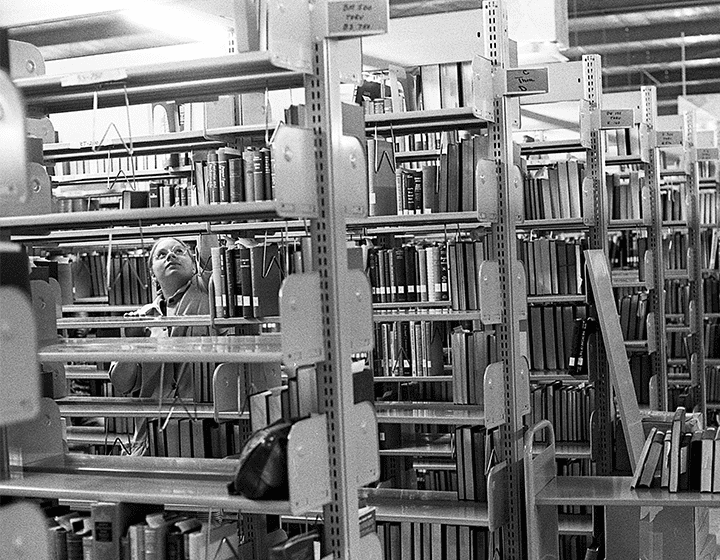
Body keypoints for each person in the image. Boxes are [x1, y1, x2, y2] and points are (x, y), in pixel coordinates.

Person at [109, 236, 223, 456]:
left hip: (202, 431)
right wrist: (132, 344)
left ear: (194, 263)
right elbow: (122, 383)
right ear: (152, 272)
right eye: (161, 255)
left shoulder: (208, 293)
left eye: (179, 251)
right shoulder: (141, 316)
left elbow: (210, 244)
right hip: (153, 434)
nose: (171, 256)